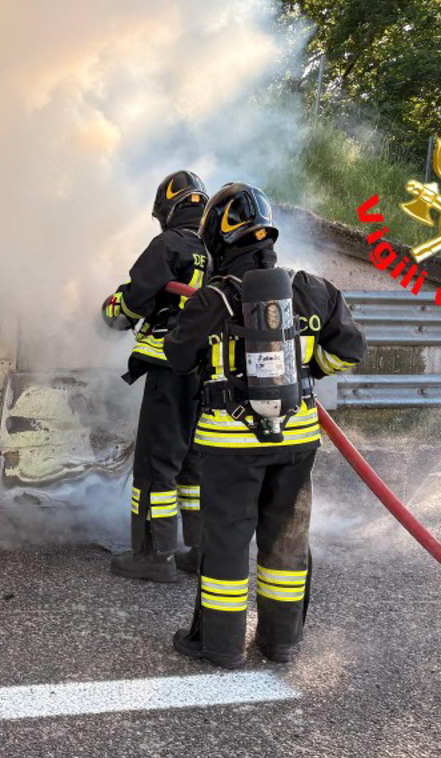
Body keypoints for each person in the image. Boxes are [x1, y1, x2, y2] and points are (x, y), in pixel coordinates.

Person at [162, 182, 366, 667]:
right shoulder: (313, 289)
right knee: (286, 540)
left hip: (230, 443)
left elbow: (177, 356)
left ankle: (219, 645)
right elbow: (350, 349)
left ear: (218, 240)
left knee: (228, 541)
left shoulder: (214, 299)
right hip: (297, 441)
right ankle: (280, 643)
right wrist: (307, 372)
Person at [101, 170, 210, 582]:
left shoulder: (168, 244)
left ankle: (152, 555)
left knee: (155, 464)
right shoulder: (215, 250)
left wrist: (111, 311)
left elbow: (134, 301)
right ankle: (200, 550)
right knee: (193, 463)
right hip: (207, 371)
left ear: (167, 210)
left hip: (170, 367)